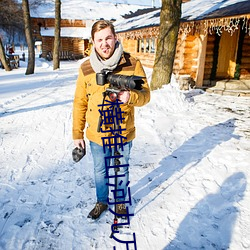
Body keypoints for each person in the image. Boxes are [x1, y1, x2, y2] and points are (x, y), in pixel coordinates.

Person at [72, 20, 150, 220]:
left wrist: (130, 97)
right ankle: (102, 201)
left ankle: (121, 203)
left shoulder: (132, 64)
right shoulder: (86, 68)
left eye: (108, 38)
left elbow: (146, 95)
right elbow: (80, 102)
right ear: (93, 42)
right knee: (100, 171)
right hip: (97, 134)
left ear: (115, 38)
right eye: (99, 40)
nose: (104, 43)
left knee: (121, 169)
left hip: (123, 132)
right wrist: (77, 134)